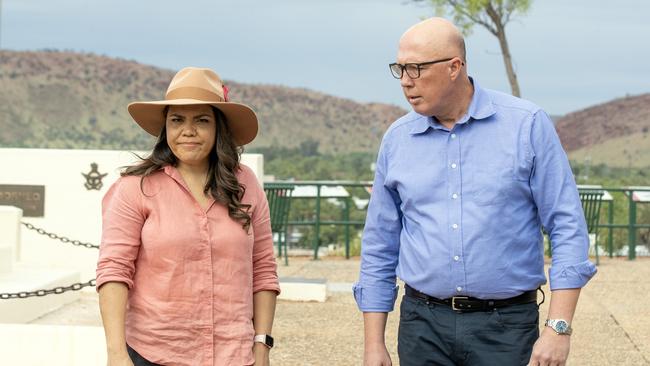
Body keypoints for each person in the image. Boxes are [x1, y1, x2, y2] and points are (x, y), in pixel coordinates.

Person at [354, 18, 597, 366]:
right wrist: (373, 344)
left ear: (455, 67)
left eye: (417, 69)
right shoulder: (397, 140)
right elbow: (380, 243)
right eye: (400, 69)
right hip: (421, 327)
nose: (406, 81)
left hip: (507, 329)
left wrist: (558, 329)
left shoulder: (526, 126)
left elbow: (568, 227)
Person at [96, 67, 280, 366]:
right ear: (165, 127)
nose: (188, 130)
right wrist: (116, 353)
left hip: (234, 355)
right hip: (155, 353)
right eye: (177, 120)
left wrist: (262, 345)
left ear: (219, 127)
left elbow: (263, 269)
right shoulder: (135, 189)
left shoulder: (246, 185)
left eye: (202, 120)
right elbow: (114, 271)